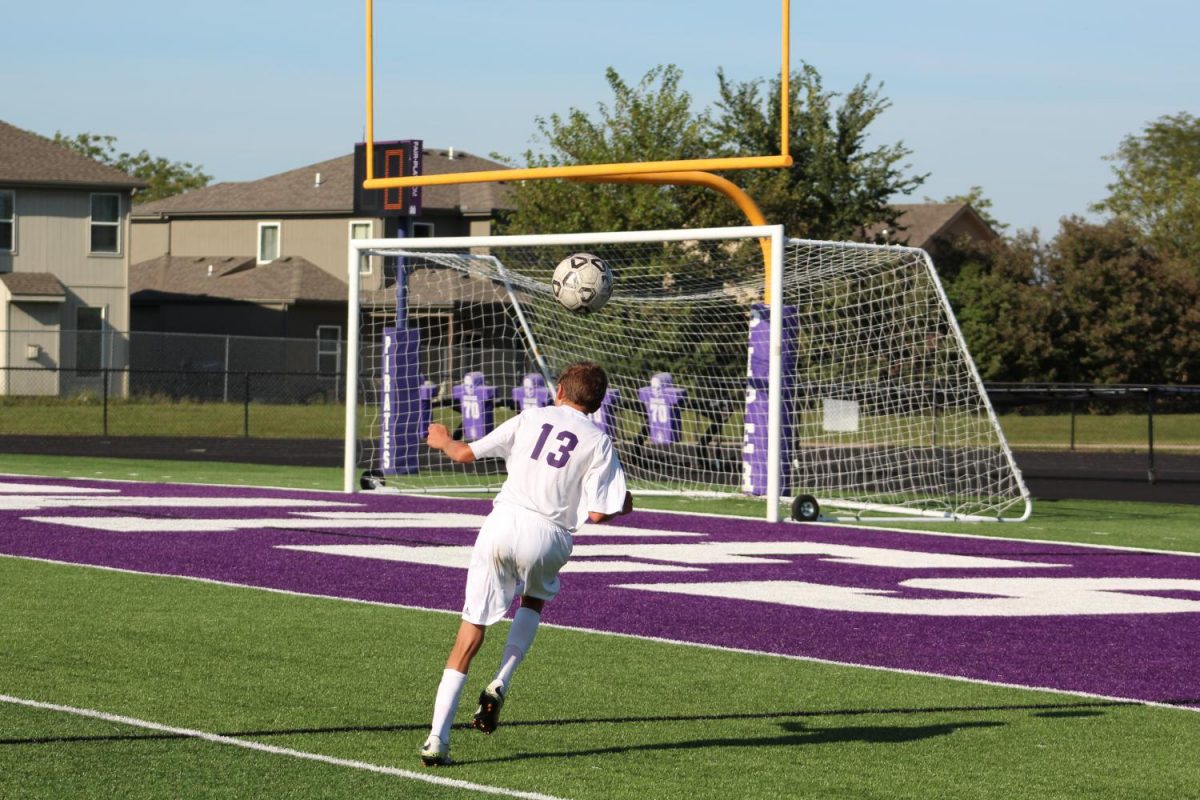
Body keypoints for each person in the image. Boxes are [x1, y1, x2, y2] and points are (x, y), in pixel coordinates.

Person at [419, 361, 634, 767]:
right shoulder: (599, 440)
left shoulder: (532, 417)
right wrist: (624, 502)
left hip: (503, 524)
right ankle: (501, 680)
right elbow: (600, 514)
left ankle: (436, 739)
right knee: (533, 600)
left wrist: (444, 439)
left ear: (558, 391)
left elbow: (465, 453)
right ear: (598, 403)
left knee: (470, 633)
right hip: (550, 536)